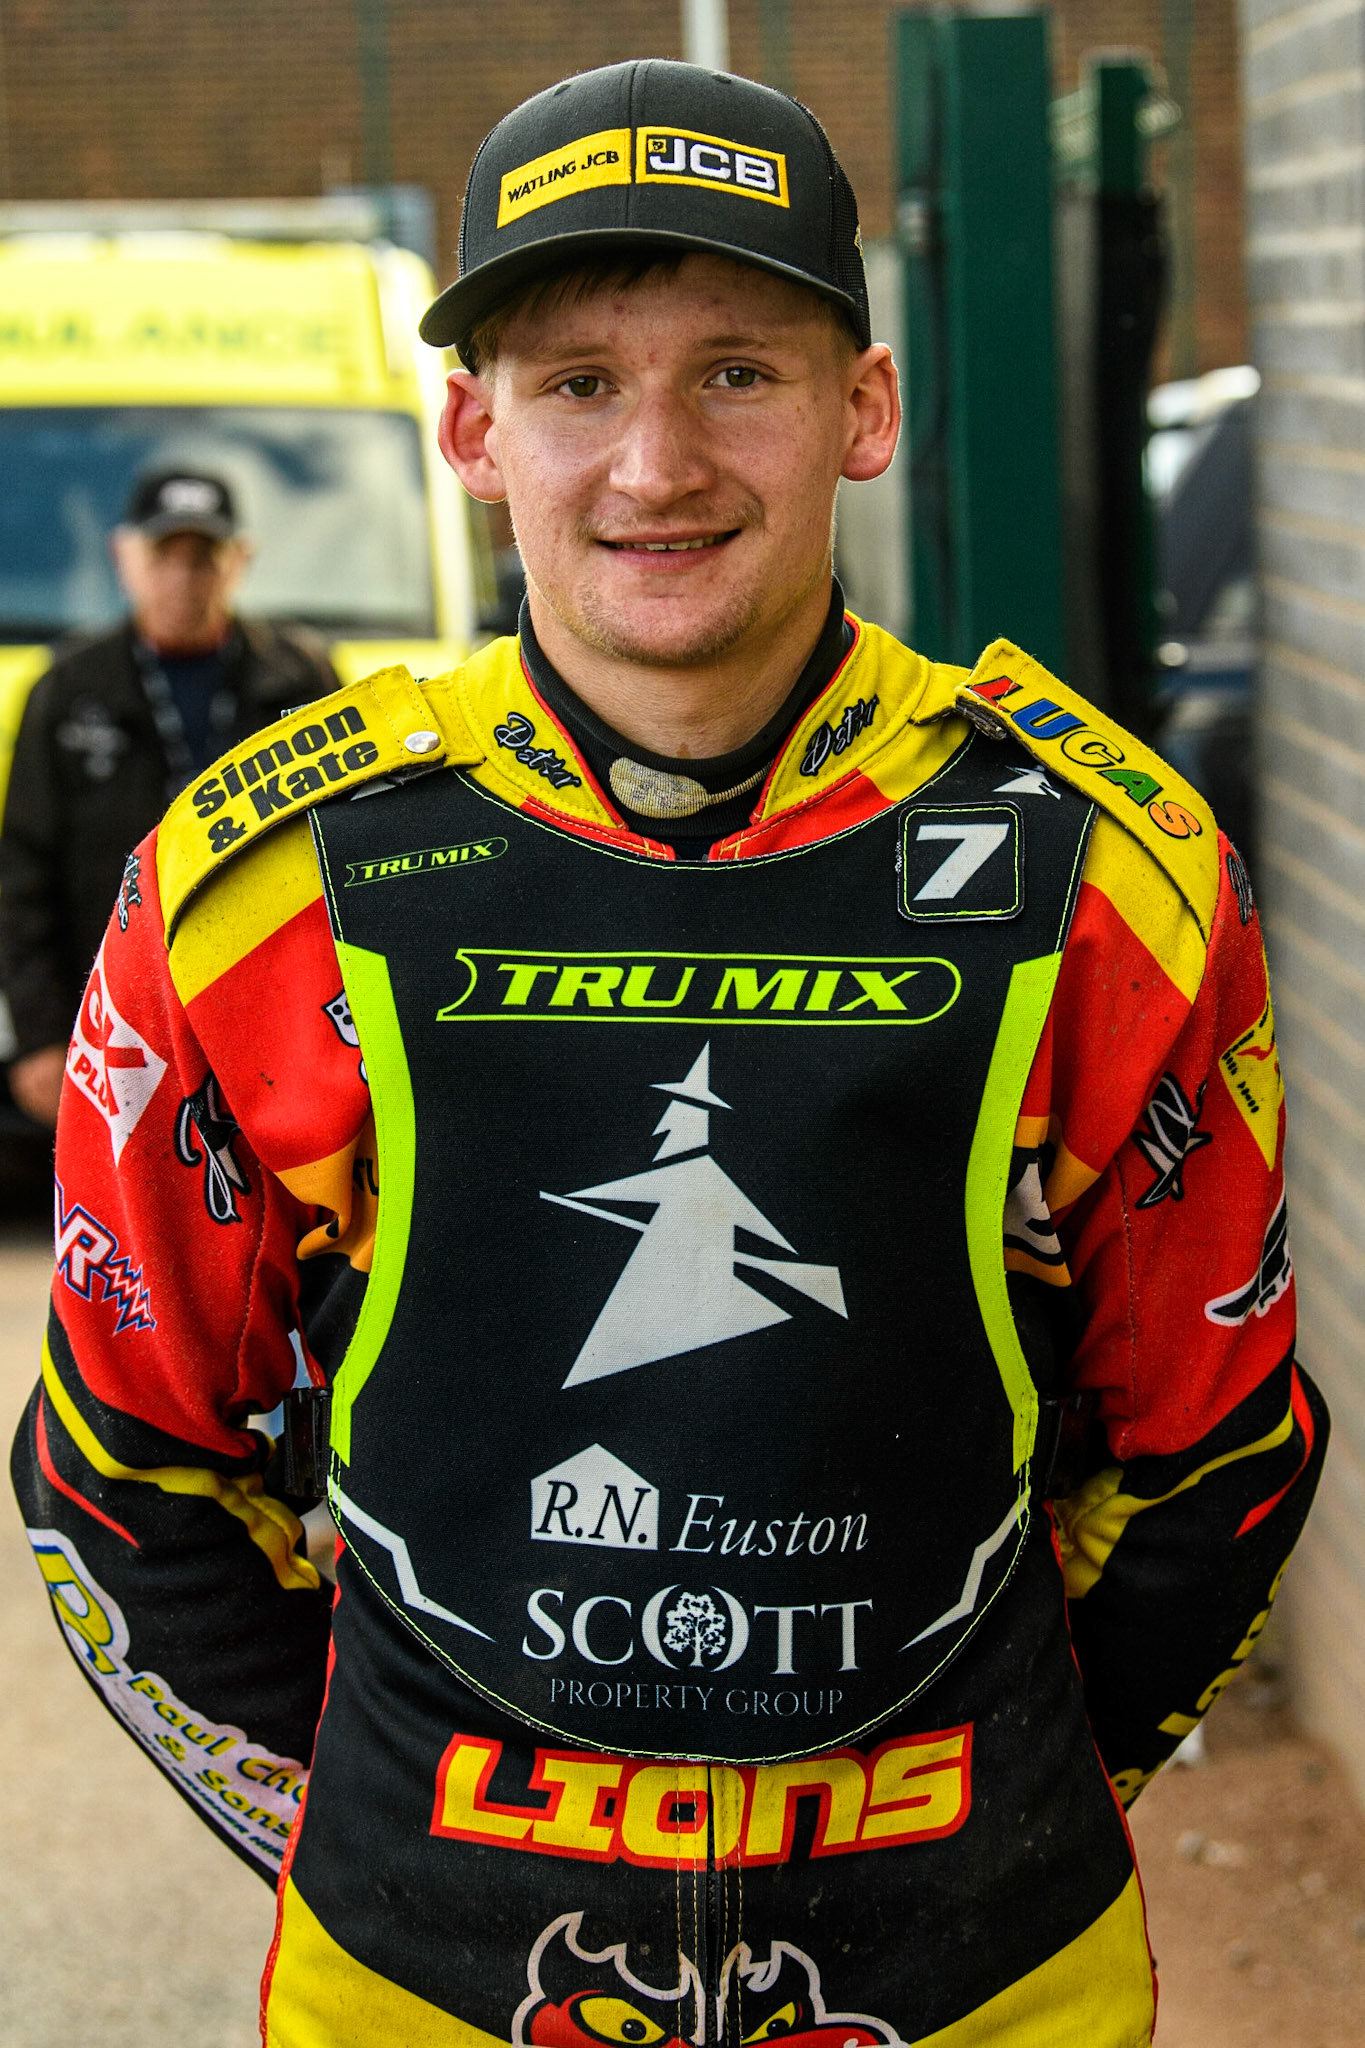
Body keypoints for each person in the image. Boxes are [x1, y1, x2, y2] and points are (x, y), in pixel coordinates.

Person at [11, 61, 1325, 2048]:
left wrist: (1007, 1791)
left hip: (983, 1979)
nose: (654, 467)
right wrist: (386, 1829)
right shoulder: (264, 879)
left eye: (737, 373)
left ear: (861, 410)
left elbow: (1220, 1450)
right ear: (470, 426)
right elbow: (122, 1471)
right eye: (574, 384)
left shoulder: (1099, 864)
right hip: (422, 1986)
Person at [0, 468, 337, 1126]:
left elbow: (346, 852)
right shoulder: (67, 687)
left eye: (204, 557)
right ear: (125, 558)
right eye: (165, 556)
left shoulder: (300, 676)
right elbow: (21, 873)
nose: (184, 578)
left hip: (271, 1011)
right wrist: (40, 1037)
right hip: (113, 1012)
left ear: (239, 561)